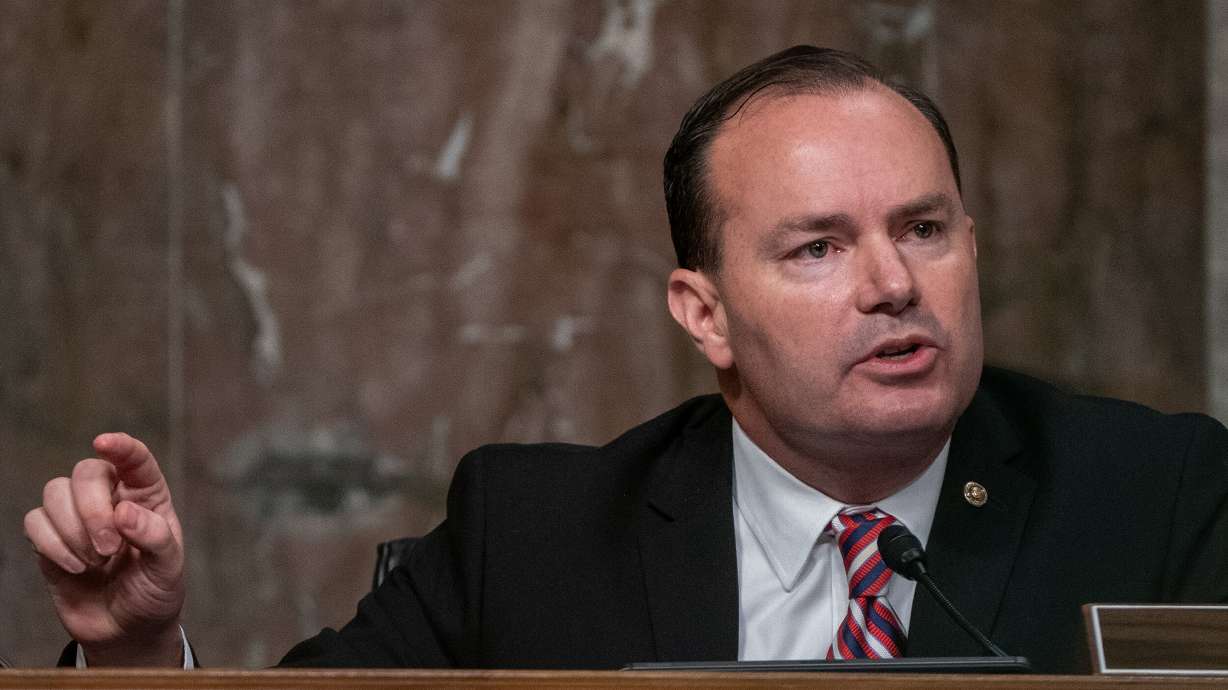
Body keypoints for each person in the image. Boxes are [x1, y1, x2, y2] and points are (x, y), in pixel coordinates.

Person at [24, 46, 1228, 673]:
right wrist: (136, 652)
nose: (892, 284)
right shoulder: (531, 535)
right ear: (704, 316)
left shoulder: (1156, 496)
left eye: (922, 229)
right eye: (817, 247)